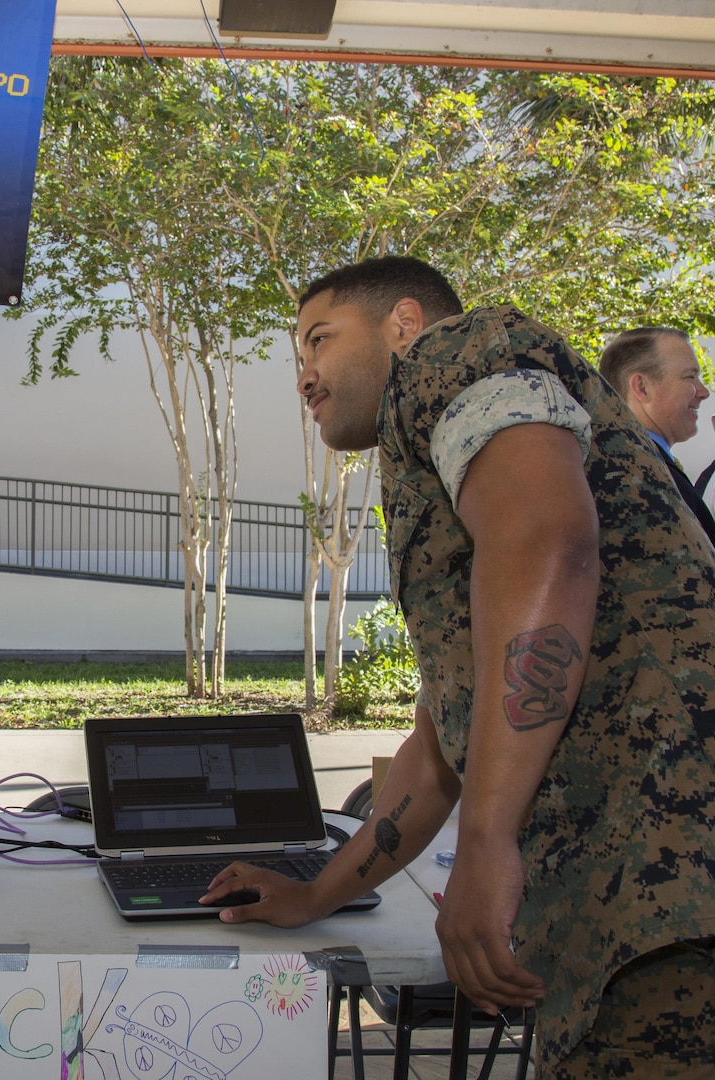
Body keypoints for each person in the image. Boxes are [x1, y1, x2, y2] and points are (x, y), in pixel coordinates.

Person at [204, 255, 715, 1077]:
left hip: (668, 888)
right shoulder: (428, 449)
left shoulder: (459, 350)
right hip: (631, 896)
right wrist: (313, 896)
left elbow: (547, 537)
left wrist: (484, 841)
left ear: (403, 324)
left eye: (319, 341)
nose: (305, 376)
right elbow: (437, 750)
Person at [598, 326, 715, 547]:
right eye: (690, 377)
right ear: (642, 387)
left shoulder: (636, 461)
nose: (703, 392)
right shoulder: (636, 475)